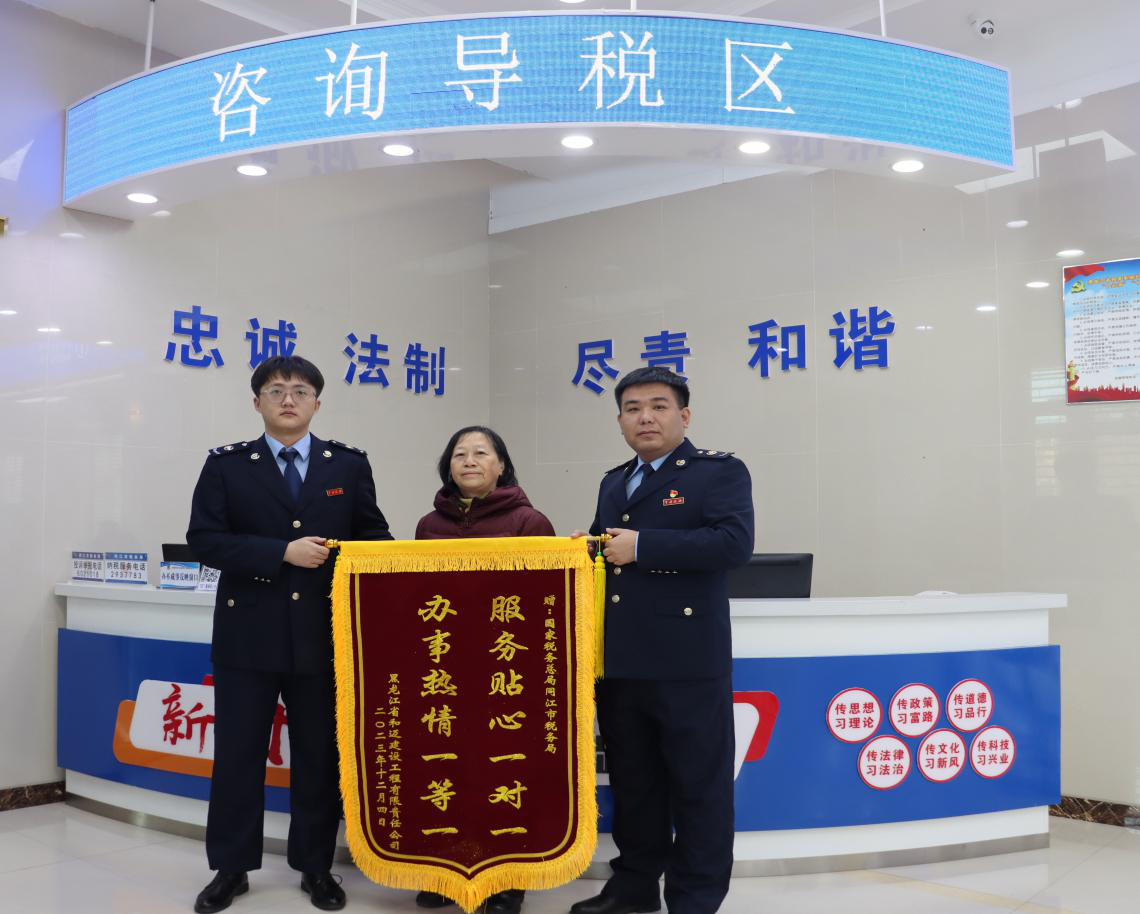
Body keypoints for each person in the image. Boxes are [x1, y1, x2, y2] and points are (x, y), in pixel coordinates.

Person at [187, 355, 392, 913]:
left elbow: (373, 538)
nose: (288, 399)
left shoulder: (347, 464)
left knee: (318, 756)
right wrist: (281, 552)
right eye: (276, 390)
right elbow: (205, 540)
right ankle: (231, 868)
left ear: (317, 404)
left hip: (323, 636)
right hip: (247, 637)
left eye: (300, 390)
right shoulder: (228, 465)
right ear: (256, 402)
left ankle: (316, 867)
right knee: (238, 756)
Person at [570, 367, 754, 914]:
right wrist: (588, 550)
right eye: (632, 408)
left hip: (686, 662)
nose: (644, 417)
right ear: (620, 421)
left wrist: (644, 547)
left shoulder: (717, 472)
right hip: (619, 661)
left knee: (699, 788)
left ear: (684, 415)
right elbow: (610, 553)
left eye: (658, 406)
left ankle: (695, 899)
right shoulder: (613, 480)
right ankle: (633, 888)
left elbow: (733, 543)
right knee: (635, 784)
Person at [414, 425, 554, 914]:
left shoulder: (529, 521)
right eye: (460, 454)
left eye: (480, 453)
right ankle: (446, 871)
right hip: (447, 671)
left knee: (504, 775)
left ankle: (508, 879)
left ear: (501, 466)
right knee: (449, 771)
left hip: (507, 671)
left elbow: (544, 601)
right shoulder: (429, 525)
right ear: (448, 466)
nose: (469, 461)